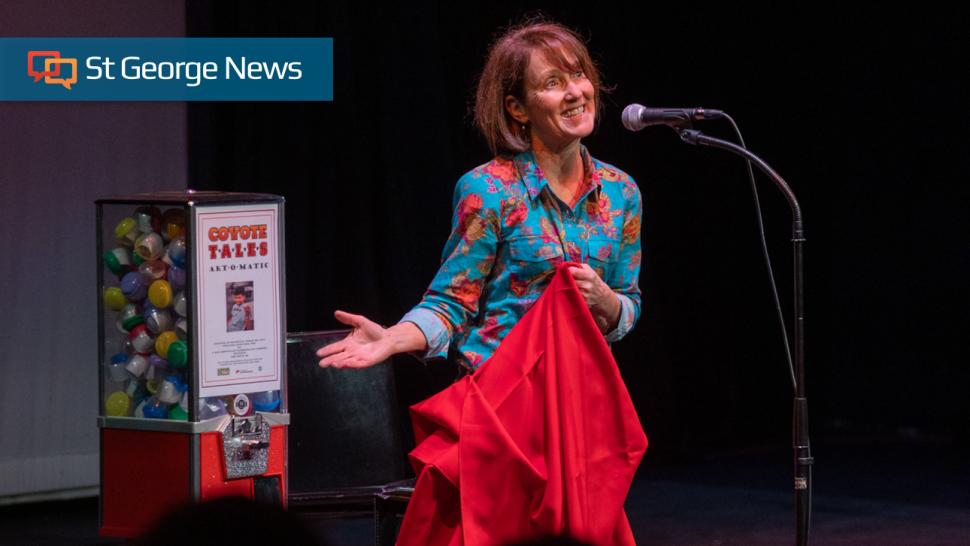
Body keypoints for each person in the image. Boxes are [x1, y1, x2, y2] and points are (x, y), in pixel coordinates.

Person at [317, 20, 641, 374]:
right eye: (552, 82)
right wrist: (392, 338)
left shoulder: (620, 191)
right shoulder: (488, 190)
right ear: (517, 109)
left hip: (583, 399)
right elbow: (450, 302)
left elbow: (628, 301)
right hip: (504, 401)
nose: (575, 92)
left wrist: (607, 301)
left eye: (578, 74)